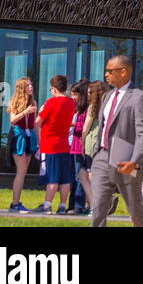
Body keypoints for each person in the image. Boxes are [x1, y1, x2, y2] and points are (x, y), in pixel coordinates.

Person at [89, 55, 143, 227]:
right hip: (102, 157)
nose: (106, 75)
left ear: (123, 72)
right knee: (98, 208)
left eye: (110, 71)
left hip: (126, 160)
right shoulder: (107, 96)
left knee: (135, 210)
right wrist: (96, 153)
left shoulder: (139, 97)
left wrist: (134, 161)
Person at [33, 75, 76, 214]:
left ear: (54, 89)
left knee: (52, 177)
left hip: (50, 144)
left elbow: (37, 123)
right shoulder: (71, 103)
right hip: (64, 144)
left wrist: (40, 111)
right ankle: (62, 206)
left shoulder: (51, 102)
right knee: (65, 178)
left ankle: (47, 204)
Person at [6, 77, 38, 212]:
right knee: (22, 170)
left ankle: (17, 202)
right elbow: (12, 120)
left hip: (30, 137)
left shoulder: (34, 102)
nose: (31, 87)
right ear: (22, 88)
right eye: (28, 85)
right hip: (18, 136)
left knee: (23, 171)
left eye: (31, 85)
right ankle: (14, 204)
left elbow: (35, 125)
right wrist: (25, 112)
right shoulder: (14, 102)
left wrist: (40, 143)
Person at [68, 79, 92, 214]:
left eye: (75, 95)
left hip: (80, 145)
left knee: (80, 175)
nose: (73, 98)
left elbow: (84, 128)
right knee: (76, 175)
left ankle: (78, 205)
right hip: (76, 145)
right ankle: (73, 205)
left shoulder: (87, 109)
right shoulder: (80, 109)